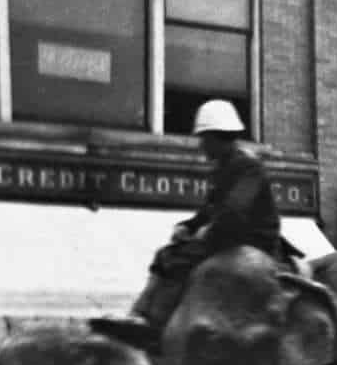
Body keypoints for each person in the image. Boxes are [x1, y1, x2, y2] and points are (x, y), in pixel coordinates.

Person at [90, 100, 297, 348]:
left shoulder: (247, 166)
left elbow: (234, 211)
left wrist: (208, 230)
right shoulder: (226, 167)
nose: (201, 144)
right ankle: (146, 314)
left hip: (253, 241)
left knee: (173, 258)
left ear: (217, 137)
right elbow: (210, 210)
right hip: (231, 237)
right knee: (173, 253)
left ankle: (154, 320)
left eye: (204, 138)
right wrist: (188, 226)